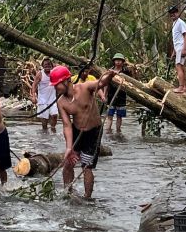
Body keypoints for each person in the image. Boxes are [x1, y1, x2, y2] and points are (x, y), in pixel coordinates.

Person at [52, 65, 117, 199]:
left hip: (93, 133)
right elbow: (66, 125)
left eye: (57, 85)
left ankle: (87, 198)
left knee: (86, 166)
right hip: (77, 131)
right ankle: (67, 193)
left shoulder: (84, 88)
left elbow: (101, 82)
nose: (55, 88)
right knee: (68, 163)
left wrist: (110, 75)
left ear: (66, 81)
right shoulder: (61, 102)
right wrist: (69, 147)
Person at [104, 53, 132, 136]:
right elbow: (106, 84)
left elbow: (130, 83)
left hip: (121, 96)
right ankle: (108, 131)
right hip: (111, 95)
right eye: (117, 60)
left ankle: (118, 131)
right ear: (114, 61)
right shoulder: (110, 71)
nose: (118, 62)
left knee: (119, 116)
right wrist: (104, 95)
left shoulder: (126, 71)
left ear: (123, 62)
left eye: (120, 61)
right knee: (109, 115)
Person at [31, 58, 58, 133]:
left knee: (54, 115)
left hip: (53, 99)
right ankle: (45, 134)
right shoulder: (40, 74)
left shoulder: (54, 73)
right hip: (43, 100)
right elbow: (34, 85)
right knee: (44, 121)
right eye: (45, 65)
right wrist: (33, 96)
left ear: (51, 66)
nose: (47, 66)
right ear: (43, 66)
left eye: (49, 65)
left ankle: (53, 129)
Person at [168, 5, 186, 93]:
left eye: (174, 13)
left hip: (182, 47)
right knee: (182, 68)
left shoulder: (181, 22)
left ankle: (181, 87)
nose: (172, 14)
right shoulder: (174, 24)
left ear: (177, 13)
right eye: (171, 13)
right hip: (178, 48)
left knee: (179, 67)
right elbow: (176, 39)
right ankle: (185, 88)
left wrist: (184, 49)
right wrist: (174, 51)